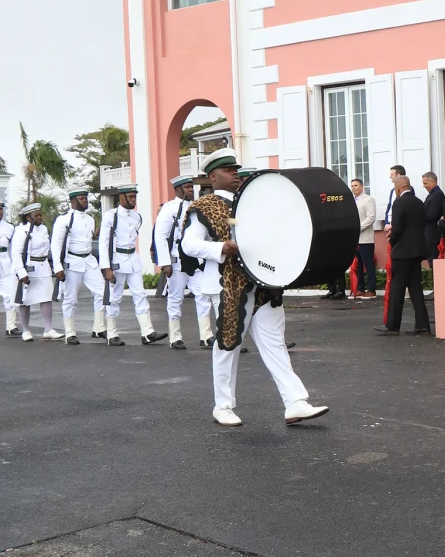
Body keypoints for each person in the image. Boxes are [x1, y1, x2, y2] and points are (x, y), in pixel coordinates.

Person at [179, 148, 328, 427]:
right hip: (228, 284)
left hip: (263, 282)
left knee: (275, 343)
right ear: (213, 177)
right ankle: (223, 405)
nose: (235, 173)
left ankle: (295, 402)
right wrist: (220, 247)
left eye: (236, 169)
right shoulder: (205, 206)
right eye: (228, 170)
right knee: (227, 345)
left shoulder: (249, 201)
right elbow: (188, 244)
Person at [99, 184, 167, 346]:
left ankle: (147, 332)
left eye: (135, 197)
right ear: (121, 197)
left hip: (133, 259)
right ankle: (112, 333)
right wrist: (106, 267)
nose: (133, 200)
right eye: (130, 197)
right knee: (115, 297)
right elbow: (104, 243)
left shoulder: (137, 217)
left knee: (140, 295)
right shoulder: (111, 216)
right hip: (117, 260)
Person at [154, 175, 214, 350]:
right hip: (177, 260)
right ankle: (175, 337)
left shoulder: (196, 207)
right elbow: (160, 236)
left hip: (195, 259)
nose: (190, 190)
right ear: (178, 189)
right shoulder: (168, 208)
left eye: (191, 187)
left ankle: (206, 335)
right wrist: (165, 263)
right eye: (187, 187)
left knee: (203, 295)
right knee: (175, 298)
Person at [375, 176, 431, 336]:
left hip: (402, 252)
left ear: (398, 188)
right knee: (415, 288)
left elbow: (397, 228)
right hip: (417, 251)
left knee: (397, 288)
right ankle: (423, 324)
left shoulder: (399, 203)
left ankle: (392, 325)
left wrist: (391, 240)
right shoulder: (419, 202)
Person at [51, 189, 107, 345]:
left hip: (89, 260)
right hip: (72, 261)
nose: (85, 201)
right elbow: (56, 244)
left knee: (102, 292)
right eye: (82, 199)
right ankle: (70, 332)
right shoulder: (64, 220)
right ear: (73, 201)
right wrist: (57, 267)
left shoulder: (90, 219)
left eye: (86, 198)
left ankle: (98, 328)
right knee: (70, 298)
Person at [10, 204, 62, 342]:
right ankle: (26, 330)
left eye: (40, 215)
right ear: (28, 217)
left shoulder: (44, 229)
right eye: (36, 215)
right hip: (28, 266)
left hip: (43, 265)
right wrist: (21, 272)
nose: (40, 217)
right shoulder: (21, 231)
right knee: (25, 300)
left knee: (46, 298)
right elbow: (16, 253)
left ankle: (48, 329)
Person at [351, 178, 377, 299]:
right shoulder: (351, 201)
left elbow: (371, 218)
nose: (353, 188)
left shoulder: (368, 199)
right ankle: (360, 288)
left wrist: (358, 228)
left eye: (356, 185)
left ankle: (371, 289)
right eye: (352, 186)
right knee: (359, 265)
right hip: (355, 238)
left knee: (368, 264)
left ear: (362, 186)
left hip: (366, 238)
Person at [1, 199, 23, 337]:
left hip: (4, 260)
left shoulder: (9, 227)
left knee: (10, 293)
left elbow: (13, 248)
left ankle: (11, 326)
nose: (0, 211)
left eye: (1, 208)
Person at [423, 172, 444, 265]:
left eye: (425, 183)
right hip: (429, 231)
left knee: (433, 260)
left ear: (432, 182)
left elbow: (433, 215)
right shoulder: (432, 194)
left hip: (433, 232)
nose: (424, 186)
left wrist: (420, 216)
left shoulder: (437, 194)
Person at [383, 164, 405, 237]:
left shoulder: (407, 190)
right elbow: (389, 207)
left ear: (398, 175)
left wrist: (392, 225)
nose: (390, 176)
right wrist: (386, 223)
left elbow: (403, 210)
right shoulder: (393, 191)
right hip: (390, 227)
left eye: (392, 174)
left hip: (399, 228)